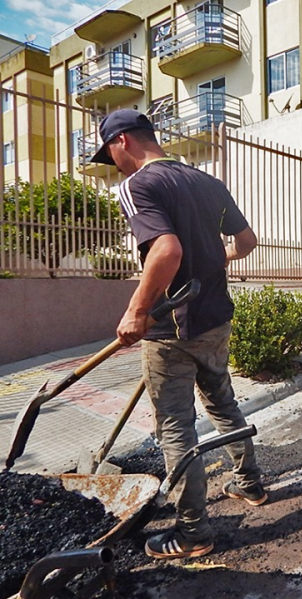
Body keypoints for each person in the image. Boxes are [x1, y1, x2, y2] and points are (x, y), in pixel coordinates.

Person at [90, 109, 265, 559]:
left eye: (110, 153)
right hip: (216, 319)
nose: (115, 166)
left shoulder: (137, 186)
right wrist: (216, 258)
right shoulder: (206, 182)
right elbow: (247, 243)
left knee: (175, 427)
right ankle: (250, 485)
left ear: (123, 141)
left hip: (171, 327)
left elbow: (166, 249)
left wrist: (136, 311)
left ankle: (193, 532)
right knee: (223, 403)